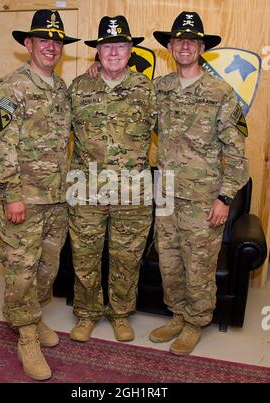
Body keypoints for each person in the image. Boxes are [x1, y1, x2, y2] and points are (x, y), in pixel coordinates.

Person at [149, 11, 249, 355]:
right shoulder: (159, 88)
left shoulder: (221, 92)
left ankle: (196, 322)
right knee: (170, 261)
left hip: (201, 198)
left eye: (192, 41)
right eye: (179, 40)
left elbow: (236, 152)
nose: (185, 46)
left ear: (201, 47)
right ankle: (178, 315)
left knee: (198, 266)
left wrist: (225, 197)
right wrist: (96, 70)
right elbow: (128, 106)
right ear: (171, 47)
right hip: (165, 194)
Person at [0, 9, 79, 381]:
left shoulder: (60, 89)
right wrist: (11, 195)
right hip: (23, 198)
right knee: (20, 270)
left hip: (56, 198)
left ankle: (34, 315)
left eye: (56, 41)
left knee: (47, 267)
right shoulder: (11, 87)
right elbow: (0, 146)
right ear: (29, 44)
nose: (51, 47)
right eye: (44, 40)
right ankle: (25, 333)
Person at [67, 15, 157, 343]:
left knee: (126, 258)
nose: (114, 52)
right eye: (107, 46)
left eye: (120, 45)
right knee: (85, 256)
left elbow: (174, 135)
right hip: (86, 191)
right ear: (98, 52)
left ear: (130, 49)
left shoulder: (148, 90)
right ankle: (88, 314)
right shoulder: (78, 88)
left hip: (132, 195)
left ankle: (120, 313)